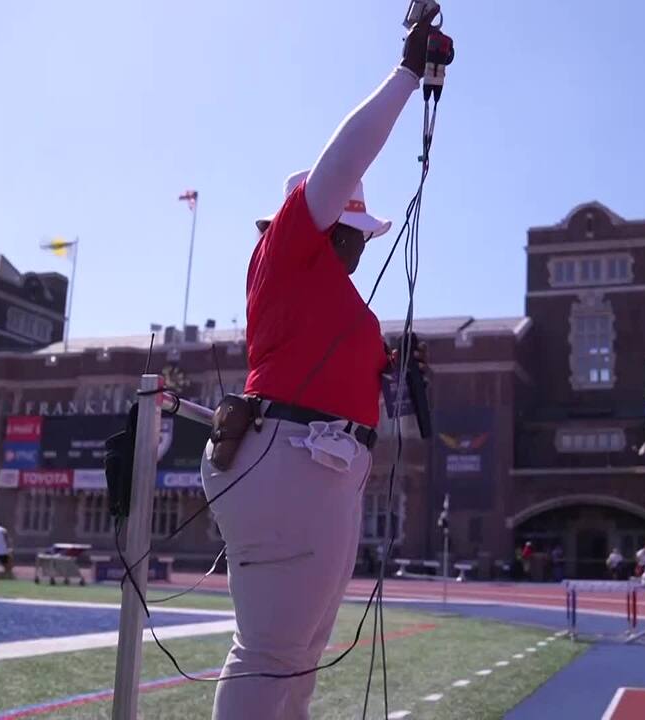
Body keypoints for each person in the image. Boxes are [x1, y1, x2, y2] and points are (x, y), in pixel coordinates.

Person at [198, 10, 443, 718]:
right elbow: (346, 160)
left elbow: (365, 389)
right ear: (333, 226)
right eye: (358, 232)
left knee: (296, 660)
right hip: (294, 459)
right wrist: (405, 73)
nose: (365, 246)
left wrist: (394, 375)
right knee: (273, 652)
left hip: (322, 467)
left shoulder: (329, 297)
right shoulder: (288, 252)